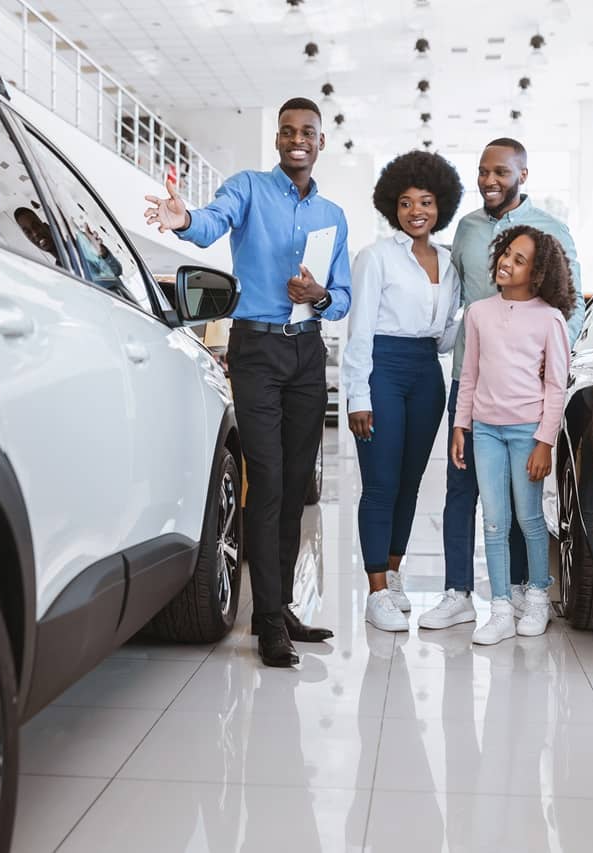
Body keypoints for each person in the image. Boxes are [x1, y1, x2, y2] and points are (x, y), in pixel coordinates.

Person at [143, 97, 352, 668]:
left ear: (320, 142)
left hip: (307, 353)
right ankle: (265, 624)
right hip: (257, 350)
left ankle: (279, 607)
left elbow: (344, 297)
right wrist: (181, 219)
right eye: (287, 132)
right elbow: (210, 223)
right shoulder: (247, 188)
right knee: (267, 480)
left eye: (307, 132)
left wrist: (321, 297)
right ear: (279, 139)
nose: (296, 140)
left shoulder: (333, 215)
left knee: (294, 490)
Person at [421, 137, 586, 631]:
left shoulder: (551, 230)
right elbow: (453, 299)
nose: (489, 181)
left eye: (500, 172)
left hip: (524, 393)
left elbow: (570, 305)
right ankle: (458, 592)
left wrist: (545, 363)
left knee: (519, 500)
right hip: (469, 382)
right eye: (482, 172)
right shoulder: (468, 230)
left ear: (523, 175)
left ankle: (520, 589)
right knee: (461, 489)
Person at [342, 150, 464, 633]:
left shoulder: (451, 263)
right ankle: (374, 592)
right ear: (393, 206)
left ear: (441, 206)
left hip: (425, 374)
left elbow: (443, 335)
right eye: (408, 202)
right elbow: (360, 331)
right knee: (381, 484)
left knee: (410, 483)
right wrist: (358, 396)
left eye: (427, 202)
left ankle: (392, 574)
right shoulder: (375, 258)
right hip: (382, 371)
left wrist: (475, 317)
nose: (417, 211)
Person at [451, 225, 575, 643]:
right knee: (493, 521)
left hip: (527, 432)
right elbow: (469, 375)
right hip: (485, 430)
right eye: (506, 253)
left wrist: (545, 441)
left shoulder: (549, 319)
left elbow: (556, 385)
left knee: (528, 517)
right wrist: (460, 425)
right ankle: (501, 607)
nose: (506, 261)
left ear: (538, 272)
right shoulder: (479, 313)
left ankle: (537, 597)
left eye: (519, 259)